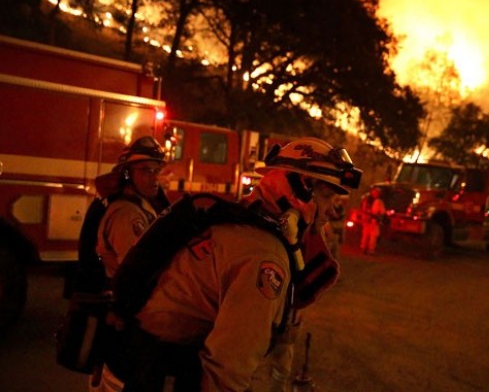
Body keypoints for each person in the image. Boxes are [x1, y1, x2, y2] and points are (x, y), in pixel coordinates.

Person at [119, 137, 361, 391]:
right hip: (155, 375)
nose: (329, 212)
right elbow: (227, 372)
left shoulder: (237, 225)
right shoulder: (263, 256)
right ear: (302, 188)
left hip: (141, 362)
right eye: (327, 197)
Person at [91, 136, 170, 392]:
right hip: (125, 315)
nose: (154, 177)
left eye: (157, 170)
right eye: (146, 170)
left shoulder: (142, 207)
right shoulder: (127, 214)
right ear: (127, 174)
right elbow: (137, 269)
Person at [359, 186, 386, 255]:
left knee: (370, 235)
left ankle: (367, 248)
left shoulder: (376, 201)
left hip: (371, 220)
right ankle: (366, 248)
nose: (376, 193)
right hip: (369, 220)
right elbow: (382, 212)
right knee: (369, 235)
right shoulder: (373, 201)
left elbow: (382, 212)